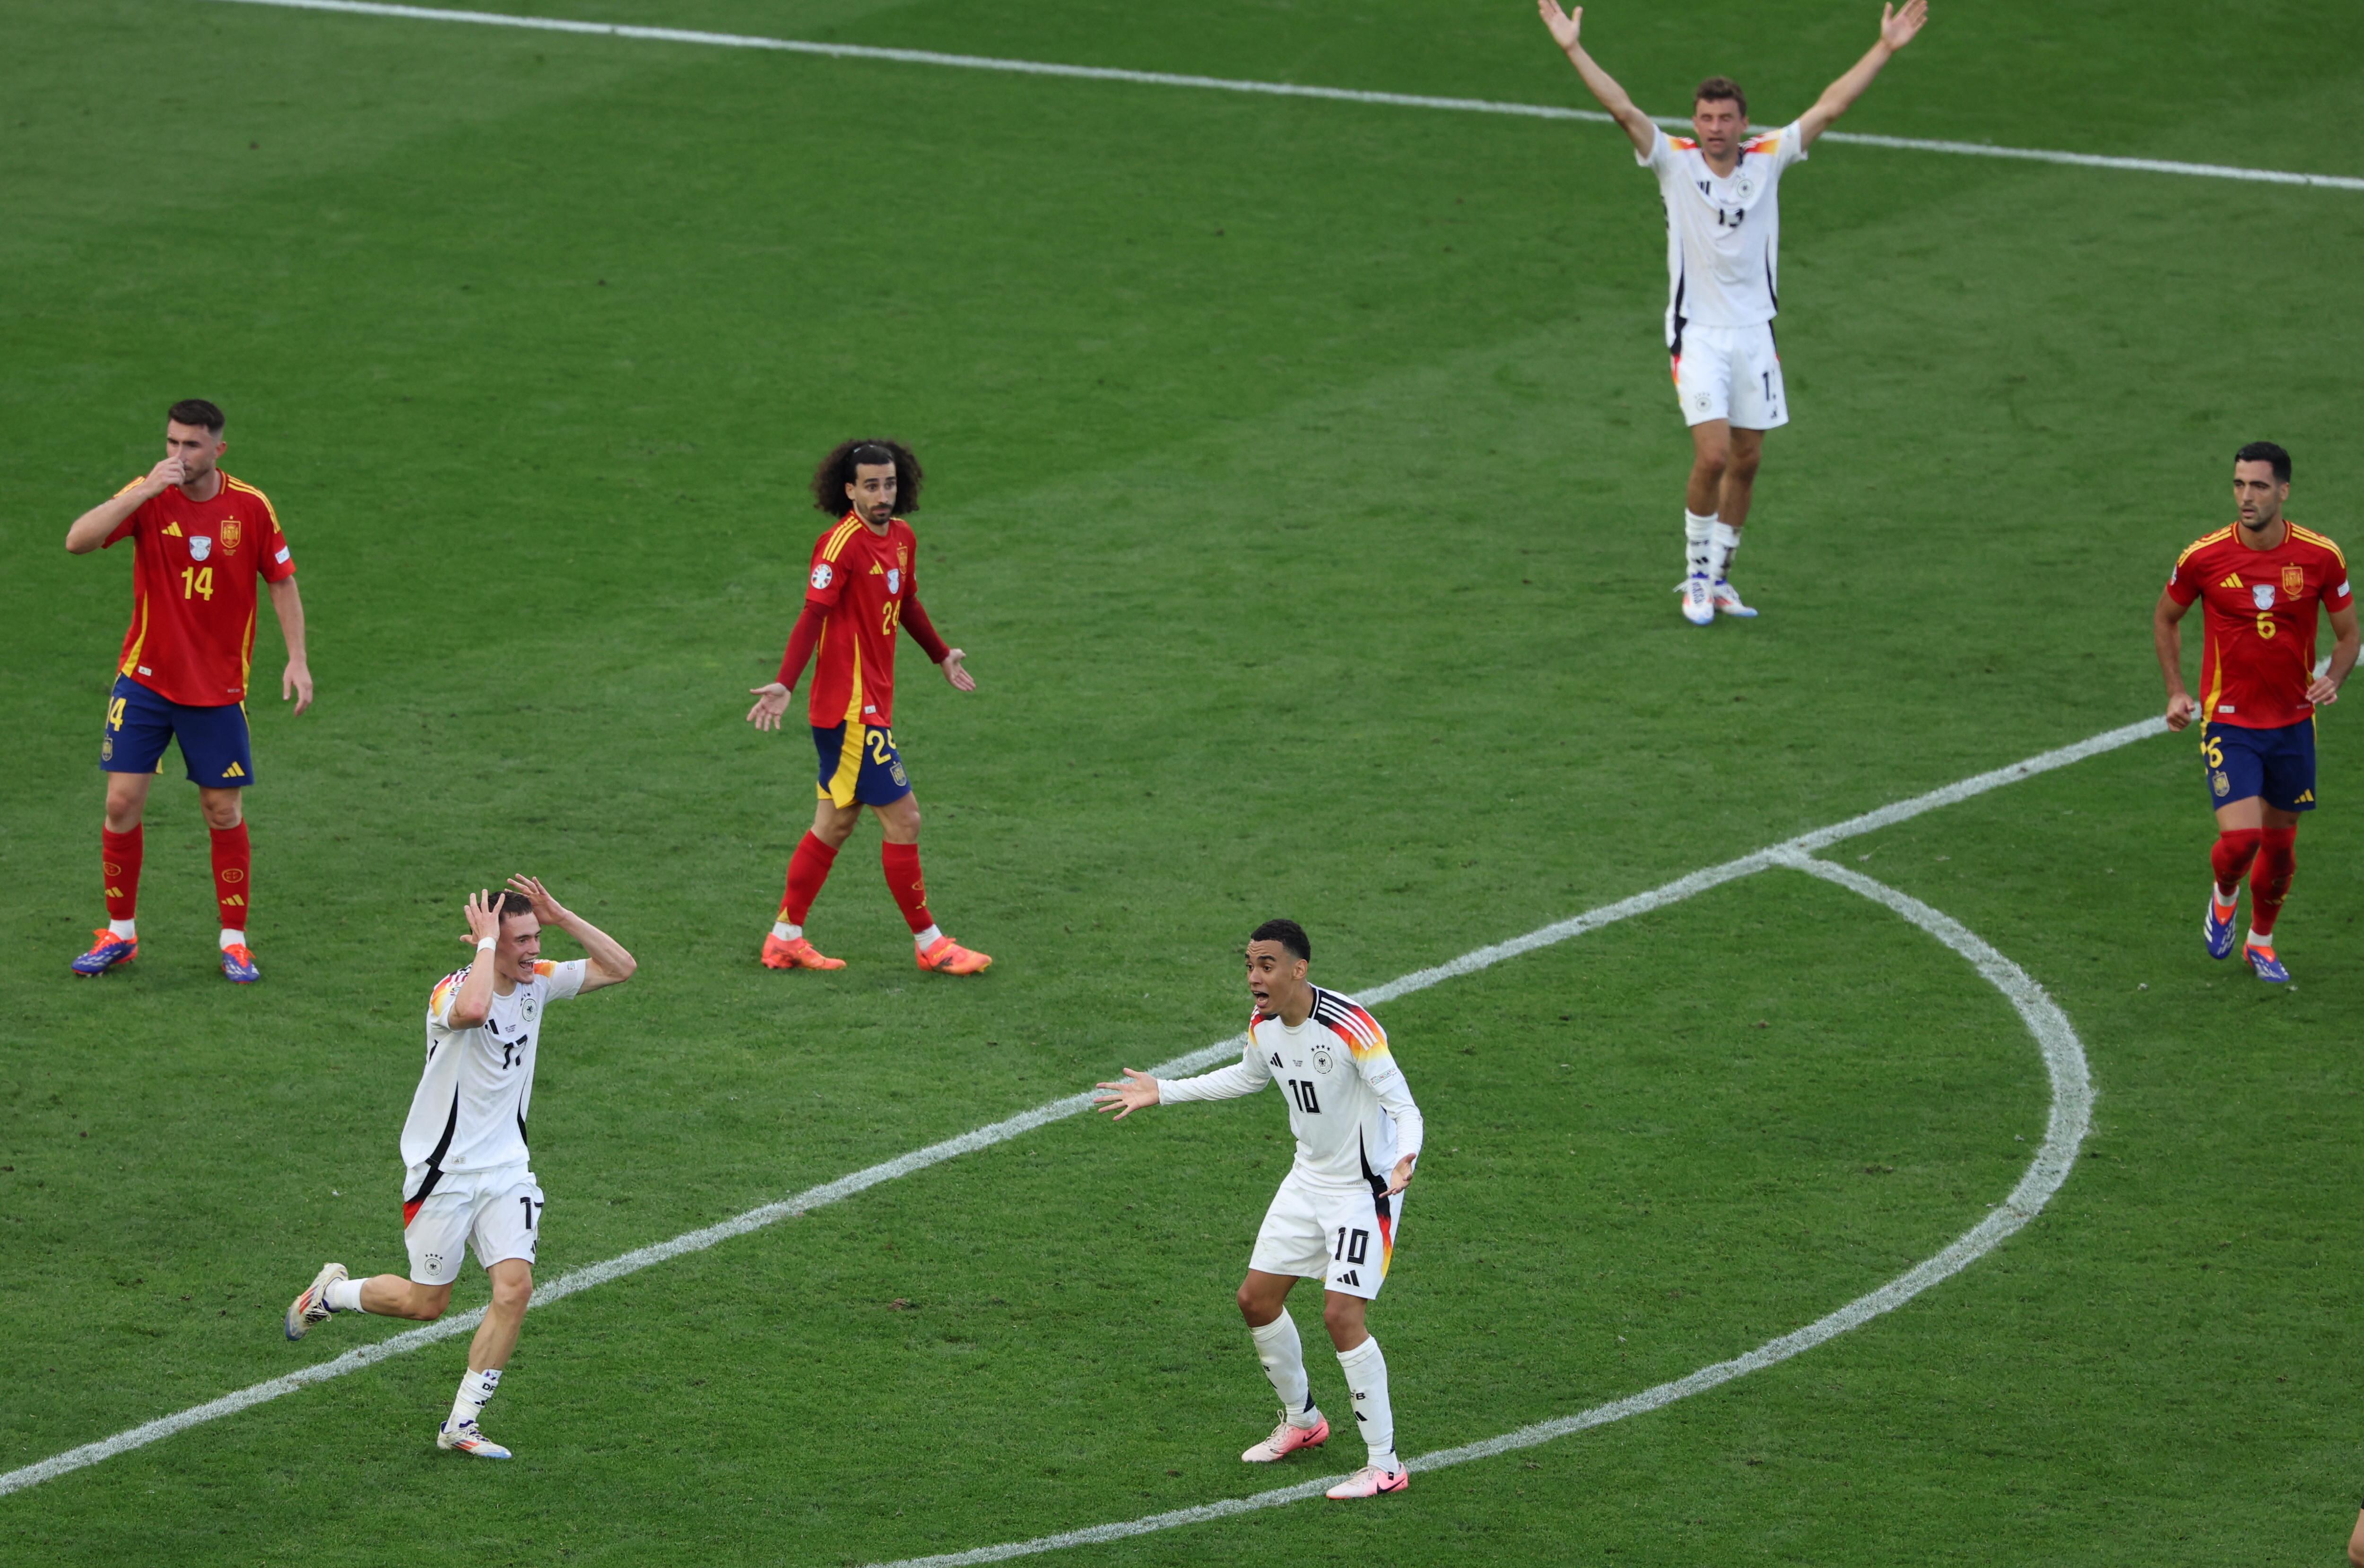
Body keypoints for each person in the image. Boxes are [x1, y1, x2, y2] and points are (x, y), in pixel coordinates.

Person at [1538, 0, 1930, 624]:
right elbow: (1622, 108)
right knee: (1714, 455)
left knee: (1748, 459)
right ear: (1694, 121)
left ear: (1744, 121)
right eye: (1705, 117)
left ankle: (1721, 578)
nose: (1715, 127)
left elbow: (1831, 107)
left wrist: (1884, 48)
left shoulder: (1768, 157)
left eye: (1725, 117)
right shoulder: (1675, 161)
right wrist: (1571, 48)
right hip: (1698, 333)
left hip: (1755, 333)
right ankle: (1694, 573)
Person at [283, 877, 635, 1458]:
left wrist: (564, 915)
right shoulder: (451, 990)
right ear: (491, 941)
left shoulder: (538, 981)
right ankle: (334, 1293)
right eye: (520, 939)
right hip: (443, 1173)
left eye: (536, 937)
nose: (533, 950)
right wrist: (485, 947)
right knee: (427, 1303)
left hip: (506, 1170)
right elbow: (473, 1010)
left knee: (514, 1288)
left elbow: (621, 967)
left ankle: (462, 1422)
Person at [1095, 919, 1424, 1500]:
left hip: (1362, 1191)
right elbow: (1249, 1077)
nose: (1254, 976)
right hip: (1305, 1182)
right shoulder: (1263, 1024)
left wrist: (1405, 1157)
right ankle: (1303, 1420)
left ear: (1298, 969)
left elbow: (1404, 1105)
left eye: (1266, 965)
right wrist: (1164, 1090)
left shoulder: (1351, 1027)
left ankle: (1385, 1463)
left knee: (1340, 1316)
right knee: (1255, 1299)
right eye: (1249, 964)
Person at [62, 399, 313, 980]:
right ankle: (119, 933)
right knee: (120, 802)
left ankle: (234, 940)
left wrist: (297, 659)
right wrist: (143, 491)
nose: (179, 455)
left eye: (191, 445)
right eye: (172, 442)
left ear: (217, 449)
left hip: (217, 689)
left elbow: (282, 581)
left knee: (221, 810)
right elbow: (77, 540)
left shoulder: (249, 507)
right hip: (144, 681)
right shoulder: (149, 496)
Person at [744, 439, 990, 975]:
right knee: (905, 818)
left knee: (833, 825)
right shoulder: (839, 546)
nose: (883, 495)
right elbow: (812, 615)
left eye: (890, 483)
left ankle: (784, 935)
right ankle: (931, 943)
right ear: (849, 489)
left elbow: (906, 602)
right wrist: (786, 682)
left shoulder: (901, 537)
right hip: (850, 711)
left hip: (870, 705)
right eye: (871, 485)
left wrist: (941, 654)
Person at [2155, 441, 2355, 982]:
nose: (2246, 496)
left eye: (2259, 486)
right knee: (2241, 840)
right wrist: (2176, 691)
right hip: (2229, 720)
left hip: (2292, 722)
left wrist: (2332, 679)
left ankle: (2259, 942)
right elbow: (2165, 618)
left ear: (2283, 491)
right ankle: (2224, 895)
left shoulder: (2319, 556)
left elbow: (2348, 634)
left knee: (2282, 849)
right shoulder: (2203, 555)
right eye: (2239, 484)